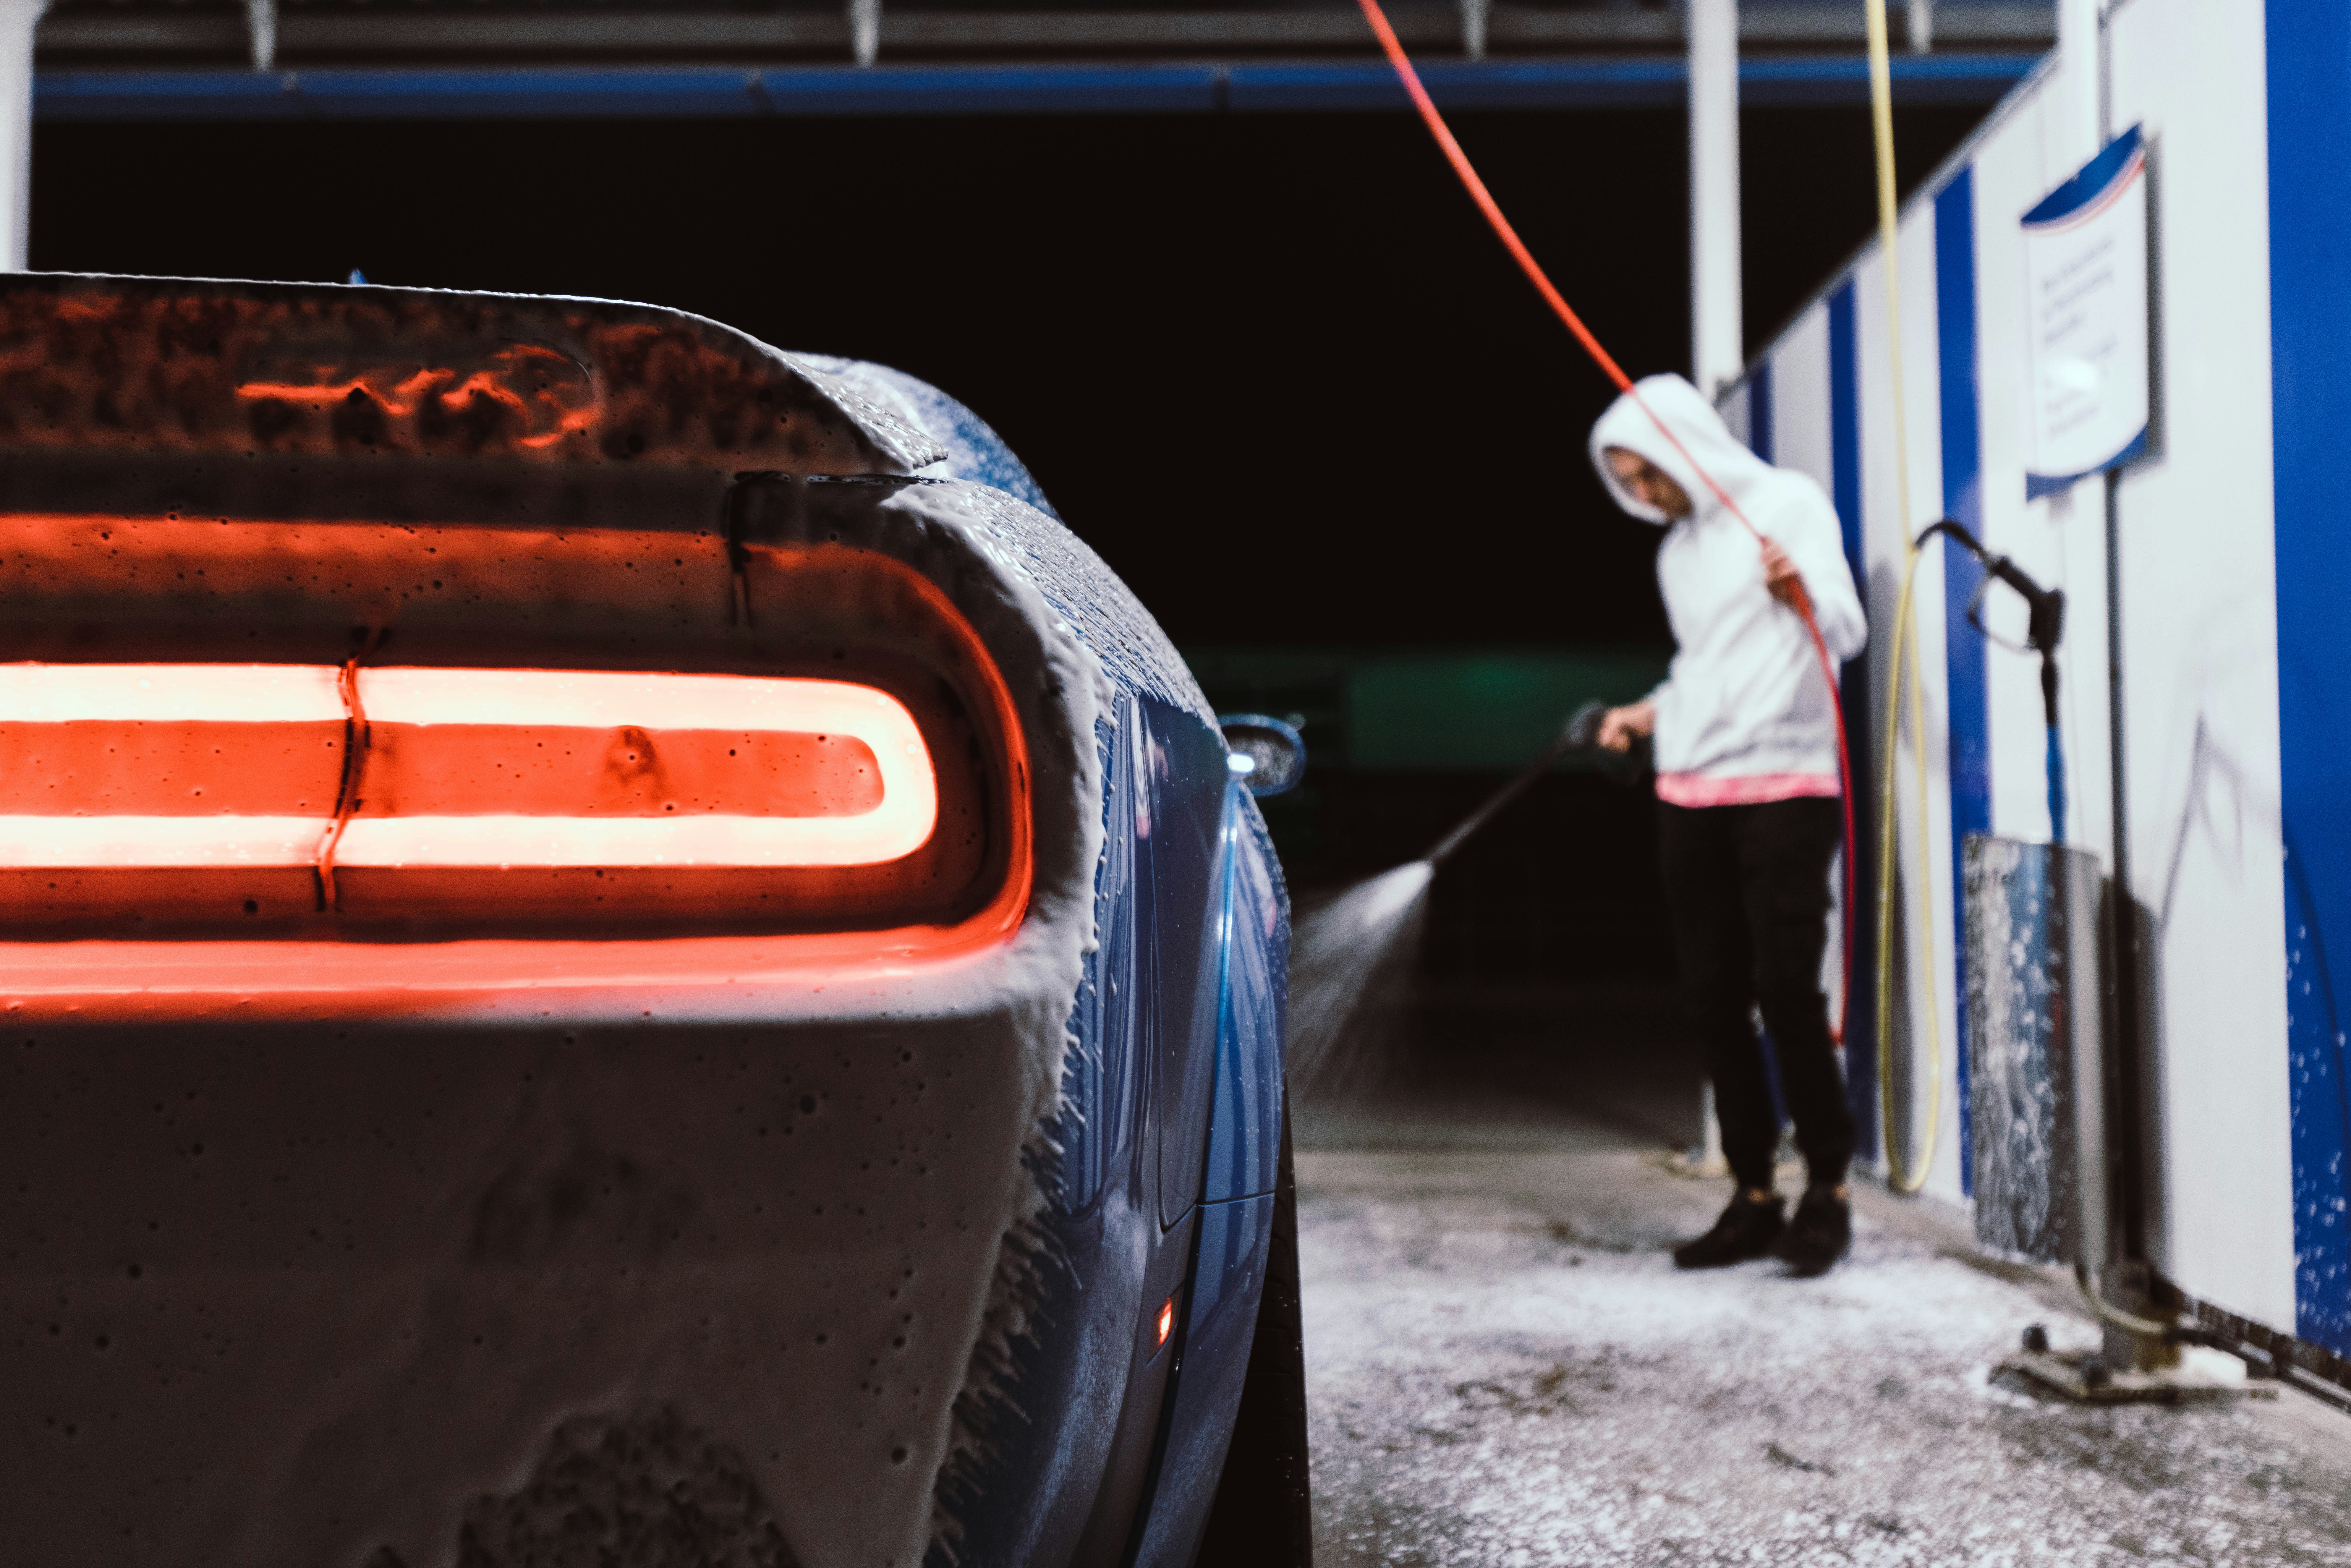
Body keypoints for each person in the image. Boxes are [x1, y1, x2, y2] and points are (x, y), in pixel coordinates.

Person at [1586, 374, 1867, 1277]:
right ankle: (1754, 1194)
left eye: (1647, 475)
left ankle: (1828, 1191)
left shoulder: (1787, 505)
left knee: (1789, 995)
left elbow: (1848, 627)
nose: (1643, 496)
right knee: (1713, 1000)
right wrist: (1649, 711)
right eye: (1627, 483)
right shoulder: (1676, 556)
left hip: (1787, 783)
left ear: (1684, 447)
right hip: (1691, 790)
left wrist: (1801, 596)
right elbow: (1705, 667)